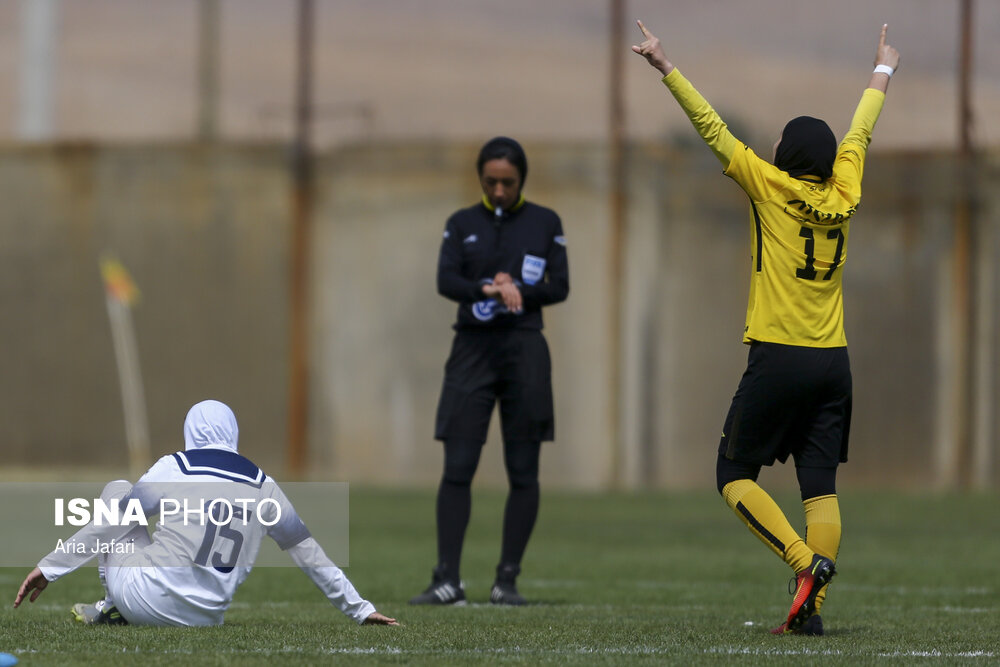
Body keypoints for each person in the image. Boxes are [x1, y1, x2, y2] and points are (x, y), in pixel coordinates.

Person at [632, 21, 899, 634]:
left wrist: (666, 67)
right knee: (819, 487)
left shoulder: (769, 187)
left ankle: (805, 565)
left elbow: (712, 129)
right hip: (834, 362)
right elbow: (860, 130)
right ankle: (811, 615)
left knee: (732, 475)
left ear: (787, 155)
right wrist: (882, 69)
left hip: (780, 356)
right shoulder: (846, 188)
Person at [13, 399, 398, 628]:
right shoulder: (264, 484)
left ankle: (112, 605)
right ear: (232, 434)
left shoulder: (175, 466)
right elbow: (310, 554)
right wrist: (360, 610)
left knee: (117, 492)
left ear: (191, 432)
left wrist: (50, 567)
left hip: (144, 602)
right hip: (206, 618)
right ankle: (119, 603)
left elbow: (113, 521)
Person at [410, 137, 569, 606]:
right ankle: (447, 580)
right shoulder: (461, 224)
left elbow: (560, 285)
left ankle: (507, 580)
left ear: (522, 180)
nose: (499, 190)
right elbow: (446, 280)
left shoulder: (545, 222)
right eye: (490, 182)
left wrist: (517, 288)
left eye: (508, 182)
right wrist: (488, 286)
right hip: (472, 352)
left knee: (523, 471)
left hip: (525, 353)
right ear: (480, 178)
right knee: (458, 467)